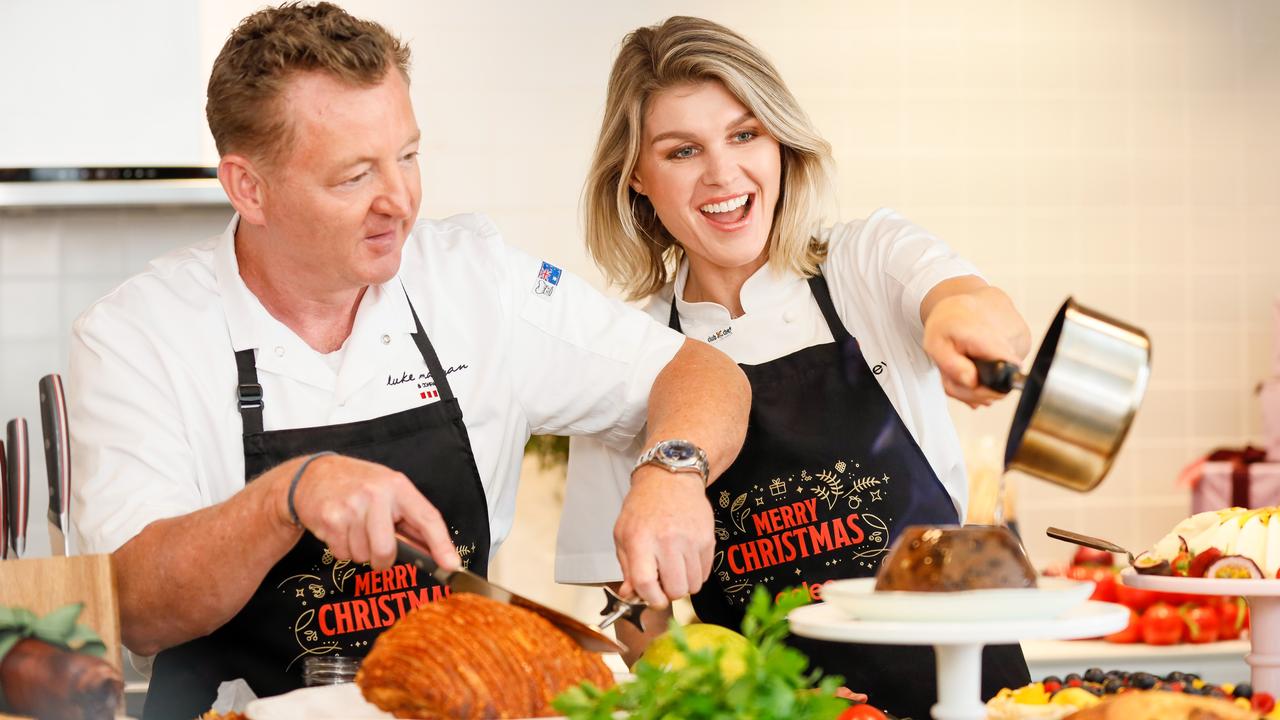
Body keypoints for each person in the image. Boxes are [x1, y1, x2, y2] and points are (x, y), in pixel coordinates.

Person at [67, 5, 749, 718]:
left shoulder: (474, 281)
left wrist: (674, 468)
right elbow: (136, 606)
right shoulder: (136, 336)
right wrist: (288, 496)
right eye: (355, 175)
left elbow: (701, 372)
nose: (401, 201)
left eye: (409, 156)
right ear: (249, 188)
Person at [556, 16, 1032, 719]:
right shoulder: (627, 353)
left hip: (971, 697)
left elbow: (971, 303)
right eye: (683, 150)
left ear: (780, 142)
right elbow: (630, 617)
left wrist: (967, 326)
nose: (724, 174)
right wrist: (741, 699)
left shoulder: (864, 263)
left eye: (745, 134)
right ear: (637, 178)